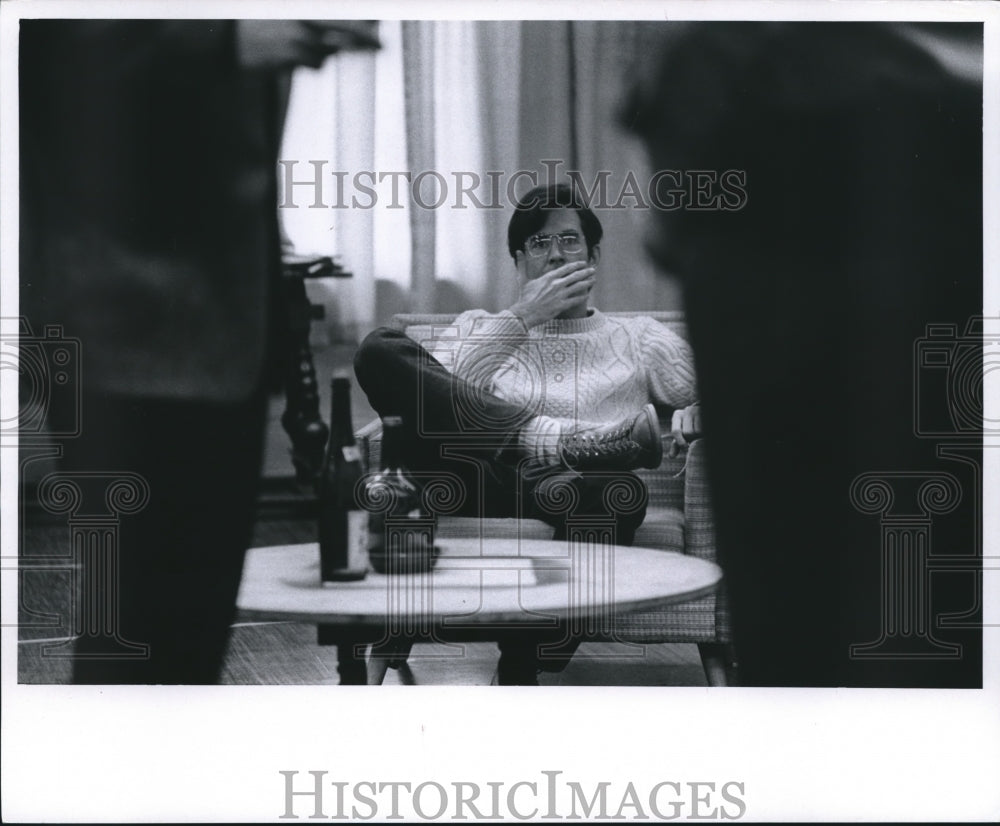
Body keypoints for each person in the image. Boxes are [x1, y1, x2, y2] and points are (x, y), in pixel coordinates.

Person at [19, 19, 379, 684]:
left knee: (189, 643)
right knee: (131, 642)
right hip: (119, 328)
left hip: (227, 334)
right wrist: (225, 39)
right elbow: (46, 43)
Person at [624, 22, 982, 687]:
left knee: (801, 627)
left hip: (781, 377)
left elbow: (667, 239)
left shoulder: (723, 60)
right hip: (921, 398)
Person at [354, 183, 701, 683]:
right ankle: (555, 437)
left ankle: (522, 663)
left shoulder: (638, 337)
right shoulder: (478, 326)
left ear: (593, 256)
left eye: (569, 241)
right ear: (519, 262)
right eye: (539, 244)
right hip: (479, 478)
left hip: (572, 485)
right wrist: (522, 319)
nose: (555, 255)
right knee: (379, 349)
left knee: (619, 493)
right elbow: (432, 410)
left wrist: (700, 410)